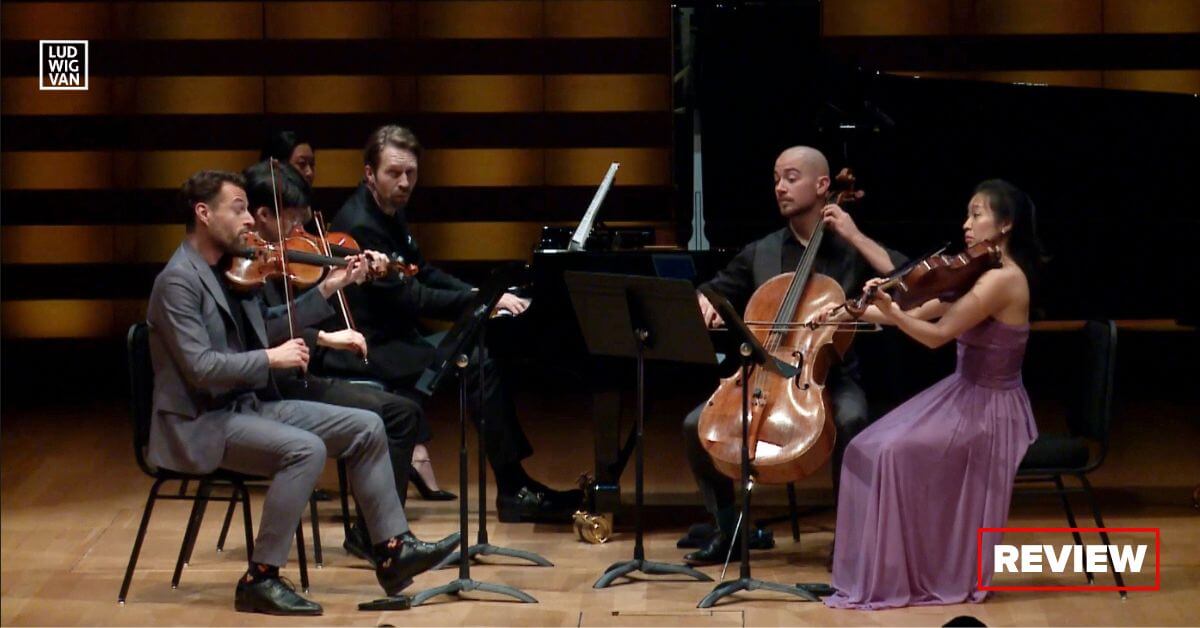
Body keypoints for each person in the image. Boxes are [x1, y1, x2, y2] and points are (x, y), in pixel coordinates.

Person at [146, 170, 458, 615]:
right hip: (199, 424)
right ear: (203, 213)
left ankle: (391, 549)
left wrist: (330, 287)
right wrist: (271, 359)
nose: (249, 221)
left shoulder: (227, 272)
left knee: (368, 426)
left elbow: (272, 324)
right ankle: (260, 578)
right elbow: (201, 370)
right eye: (238, 210)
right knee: (305, 450)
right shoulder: (177, 281)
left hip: (245, 408)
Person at [326, 124, 581, 523]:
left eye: (411, 172)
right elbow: (413, 298)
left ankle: (515, 486)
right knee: (478, 361)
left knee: (481, 352)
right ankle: (514, 488)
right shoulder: (359, 224)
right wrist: (483, 301)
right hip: (371, 350)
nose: (405, 181)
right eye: (394, 172)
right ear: (369, 173)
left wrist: (481, 294)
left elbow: (421, 271)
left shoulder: (387, 212)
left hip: (398, 340)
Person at [817, 179, 1043, 609]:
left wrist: (890, 312)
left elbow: (936, 335)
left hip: (991, 410)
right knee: (864, 448)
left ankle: (908, 572)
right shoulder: (980, 271)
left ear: (1007, 223)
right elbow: (920, 310)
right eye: (968, 213)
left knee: (890, 453)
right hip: (963, 393)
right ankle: (879, 569)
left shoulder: (1004, 281)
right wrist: (850, 311)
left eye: (977, 214)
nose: (967, 224)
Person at [681, 145, 907, 565]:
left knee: (853, 420)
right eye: (775, 179)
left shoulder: (849, 250)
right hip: (763, 373)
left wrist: (855, 234)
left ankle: (853, 538)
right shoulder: (761, 251)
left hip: (827, 376)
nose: (780, 188)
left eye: (791, 177)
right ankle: (730, 530)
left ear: (824, 186)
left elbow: (905, 280)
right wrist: (704, 301)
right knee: (697, 426)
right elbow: (714, 289)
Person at [241, 159, 454, 565]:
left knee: (402, 412)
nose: (298, 231)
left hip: (300, 375)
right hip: (275, 388)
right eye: (290, 219)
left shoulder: (285, 256)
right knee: (391, 415)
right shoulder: (244, 271)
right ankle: (379, 538)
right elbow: (260, 333)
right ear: (264, 214)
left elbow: (280, 321)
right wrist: (324, 336)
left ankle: (383, 538)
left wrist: (340, 280)